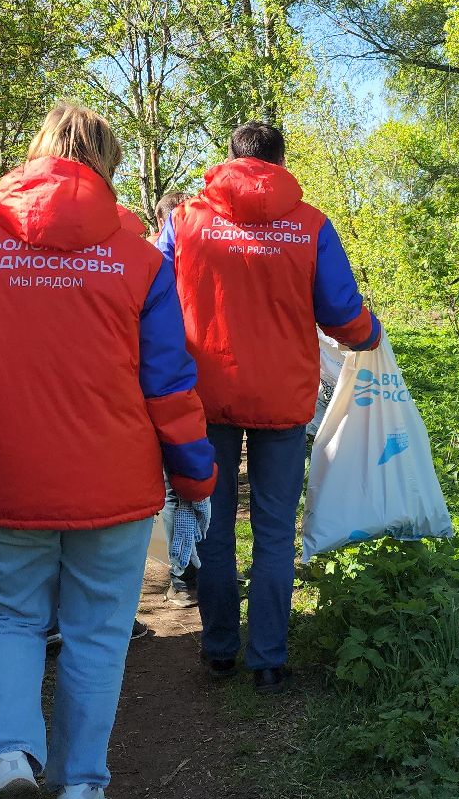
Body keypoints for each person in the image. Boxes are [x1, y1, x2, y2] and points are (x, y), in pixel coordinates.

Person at [0, 102, 216, 799]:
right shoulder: (140, 263)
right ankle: (78, 791)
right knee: (98, 635)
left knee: (6, 621)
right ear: (106, 166)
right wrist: (196, 476)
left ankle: (10, 756)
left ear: (32, 156)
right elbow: (169, 387)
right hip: (112, 487)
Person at [156, 122, 380, 695]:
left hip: (204, 397)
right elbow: (341, 312)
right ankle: (269, 661)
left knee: (215, 522)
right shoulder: (309, 226)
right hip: (283, 400)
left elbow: (151, 298)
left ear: (231, 159)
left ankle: (219, 650)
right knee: (276, 530)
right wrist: (370, 335)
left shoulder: (184, 222)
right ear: (279, 164)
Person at [153, 189, 200, 610]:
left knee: (174, 488)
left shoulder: (150, 261)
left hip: (168, 380)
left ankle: (183, 576)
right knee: (198, 484)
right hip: (197, 378)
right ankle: (191, 572)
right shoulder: (205, 250)